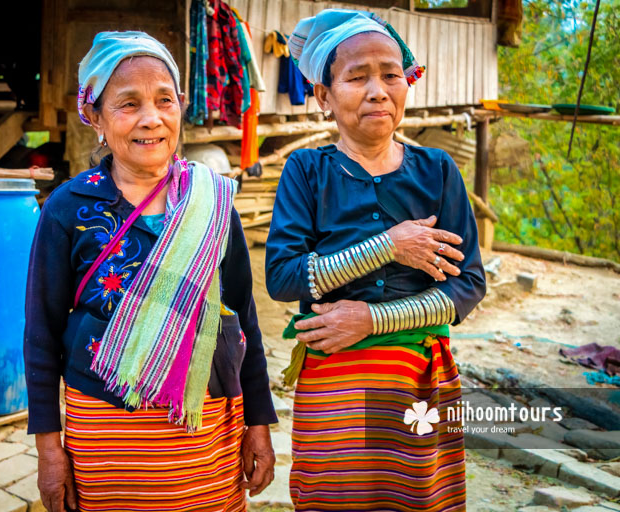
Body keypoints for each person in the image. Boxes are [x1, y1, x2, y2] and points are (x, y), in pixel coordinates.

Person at [24, 31, 277, 512]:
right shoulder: (68, 209)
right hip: (107, 434)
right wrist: (48, 449)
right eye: (128, 104)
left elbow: (245, 319)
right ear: (95, 116)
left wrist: (259, 423)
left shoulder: (213, 203)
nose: (151, 119)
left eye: (165, 100)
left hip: (205, 432)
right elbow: (41, 333)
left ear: (181, 106)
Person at [265, 9, 486, 512]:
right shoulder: (307, 170)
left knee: (415, 497)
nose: (378, 90)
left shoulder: (437, 170)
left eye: (390, 74)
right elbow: (281, 276)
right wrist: (387, 246)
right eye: (356, 77)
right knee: (337, 498)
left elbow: (469, 284)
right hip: (335, 379)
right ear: (323, 96)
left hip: (418, 378)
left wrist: (371, 318)